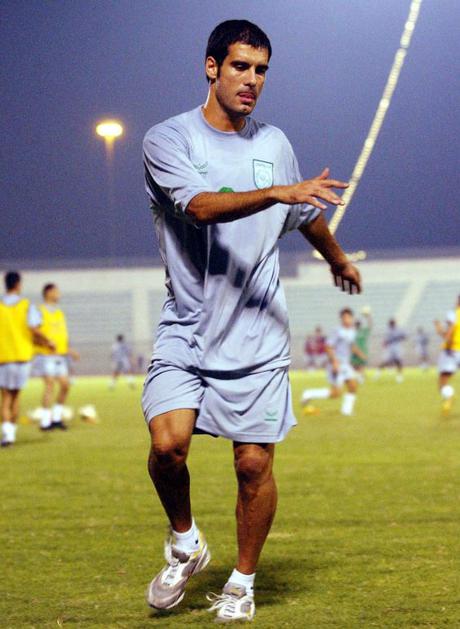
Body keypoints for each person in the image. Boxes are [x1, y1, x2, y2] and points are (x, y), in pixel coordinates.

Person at [141, 20, 361, 622]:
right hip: (187, 327)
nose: (252, 80)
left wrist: (337, 258)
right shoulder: (168, 139)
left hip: (258, 330)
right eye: (241, 66)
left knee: (253, 465)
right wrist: (277, 192)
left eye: (262, 70)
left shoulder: (275, 144)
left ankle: (241, 582)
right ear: (211, 67)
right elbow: (199, 207)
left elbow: (305, 212)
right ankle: (185, 542)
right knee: (167, 448)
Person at [0, 271, 53, 447]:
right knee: (15, 396)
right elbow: (34, 329)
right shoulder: (25, 305)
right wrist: (48, 342)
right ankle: (11, 435)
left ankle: (7, 435)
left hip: (3, 357)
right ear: (18, 285)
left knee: (5, 398)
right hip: (21, 357)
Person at [301, 308, 366, 416]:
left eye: (349, 317)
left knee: (353, 386)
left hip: (345, 364)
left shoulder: (352, 331)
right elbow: (328, 347)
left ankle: (346, 411)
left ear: (352, 318)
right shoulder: (337, 331)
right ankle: (308, 394)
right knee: (335, 393)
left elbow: (351, 345)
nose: (347, 320)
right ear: (341, 319)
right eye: (344, 317)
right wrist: (335, 362)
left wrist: (360, 354)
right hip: (336, 364)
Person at [34, 283, 79, 431]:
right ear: (48, 293)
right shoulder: (39, 311)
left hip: (60, 355)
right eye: (56, 292)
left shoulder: (59, 312)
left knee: (65, 385)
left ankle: (57, 418)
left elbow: (61, 335)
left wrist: (69, 350)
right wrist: (46, 342)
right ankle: (45, 422)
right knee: (49, 386)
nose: (59, 294)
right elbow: (34, 331)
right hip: (45, 355)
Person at [434, 297, 460, 415]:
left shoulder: (453, 314)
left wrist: (438, 327)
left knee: (443, 380)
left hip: (451, 350)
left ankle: (448, 397)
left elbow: (448, 335)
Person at [351, 307, 372, 381]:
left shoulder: (363, 331)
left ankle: (361, 378)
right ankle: (359, 377)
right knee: (354, 366)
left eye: (358, 323)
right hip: (355, 351)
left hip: (362, 350)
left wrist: (368, 316)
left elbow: (370, 325)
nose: (357, 324)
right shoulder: (352, 332)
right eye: (356, 323)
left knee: (361, 365)